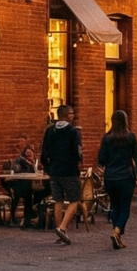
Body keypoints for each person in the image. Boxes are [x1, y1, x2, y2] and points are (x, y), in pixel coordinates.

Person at [96, 111, 137, 250]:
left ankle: (118, 236)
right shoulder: (131, 137)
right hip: (126, 177)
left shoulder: (107, 138)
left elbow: (101, 159)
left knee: (115, 206)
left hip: (110, 177)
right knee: (125, 208)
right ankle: (116, 231)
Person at [39, 105, 83, 245]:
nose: (73, 115)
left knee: (58, 200)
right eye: (71, 113)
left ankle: (59, 232)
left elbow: (44, 151)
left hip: (54, 171)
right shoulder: (73, 131)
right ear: (65, 115)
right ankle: (63, 228)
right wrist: (78, 162)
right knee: (74, 200)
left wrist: (47, 167)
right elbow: (77, 151)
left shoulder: (50, 131)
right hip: (69, 170)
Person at [3, 141, 42, 228]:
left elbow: (35, 173)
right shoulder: (20, 161)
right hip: (18, 185)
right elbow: (16, 172)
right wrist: (30, 165)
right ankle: (27, 219)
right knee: (29, 195)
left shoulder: (32, 162)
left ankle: (30, 217)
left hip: (27, 185)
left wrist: (33, 165)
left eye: (31, 152)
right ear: (24, 153)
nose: (29, 154)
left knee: (33, 194)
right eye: (27, 152)